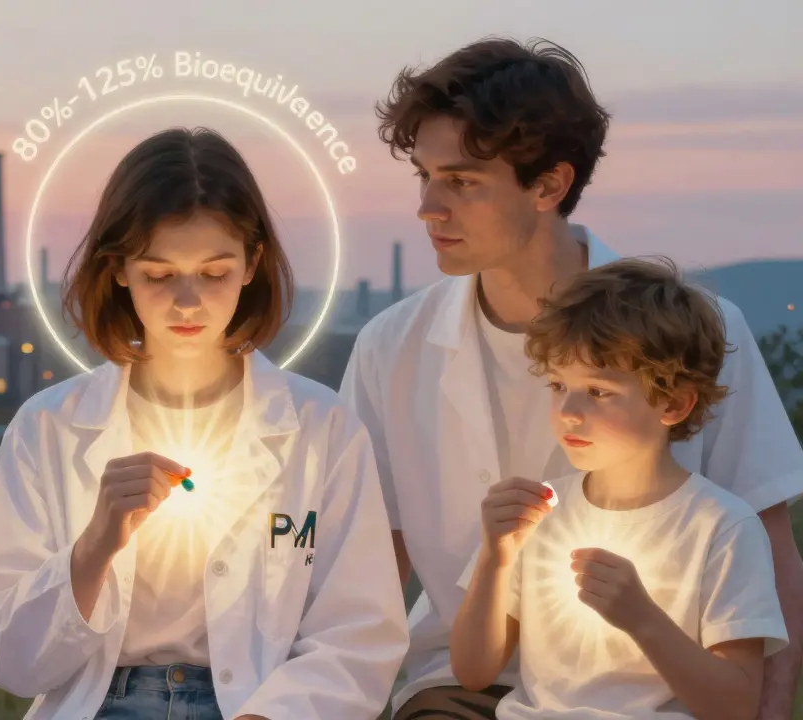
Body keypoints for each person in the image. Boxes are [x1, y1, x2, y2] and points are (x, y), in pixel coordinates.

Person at [340, 37, 803, 719]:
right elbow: (366, 571)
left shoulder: (706, 328)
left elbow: (770, 543)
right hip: (465, 681)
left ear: (550, 185)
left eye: (463, 181)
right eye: (425, 176)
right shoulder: (390, 349)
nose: (429, 208)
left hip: (661, 690)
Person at [0, 127, 409, 720]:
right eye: (160, 274)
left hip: (263, 706)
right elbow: (8, 661)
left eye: (215, 273)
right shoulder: (50, 427)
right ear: (118, 269)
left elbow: (359, 635)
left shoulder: (323, 430)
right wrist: (94, 545)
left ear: (253, 264)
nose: (189, 301)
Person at [451, 258, 789, 719]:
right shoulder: (540, 513)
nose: (568, 411)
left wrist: (642, 618)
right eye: (558, 384)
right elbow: (473, 671)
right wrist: (495, 558)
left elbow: (735, 706)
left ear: (673, 403)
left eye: (598, 391)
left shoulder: (722, 529)